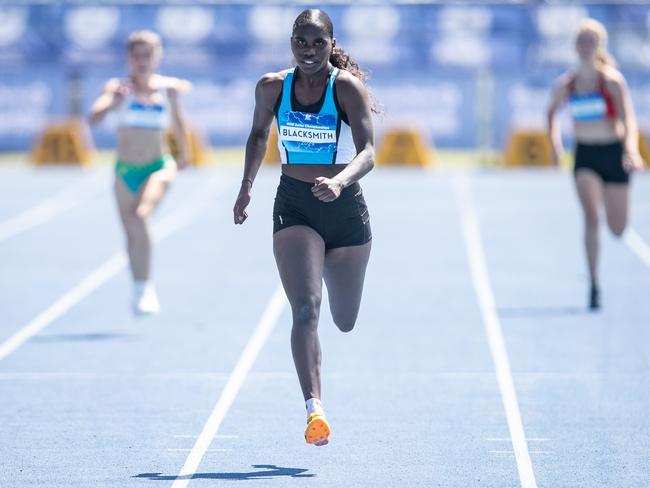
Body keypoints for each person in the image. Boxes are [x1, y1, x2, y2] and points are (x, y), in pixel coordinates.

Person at [233, 9, 376, 446]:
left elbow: (369, 151)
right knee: (305, 309)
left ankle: (334, 275)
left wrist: (339, 181)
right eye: (301, 41)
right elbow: (259, 136)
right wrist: (246, 188)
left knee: (344, 320)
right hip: (294, 206)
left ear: (332, 44)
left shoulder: (346, 88)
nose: (309, 50)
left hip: (345, 210)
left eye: (318, 42)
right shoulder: (272, 87)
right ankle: (315, 408)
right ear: (291, 43)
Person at [89, 30, 191, 315]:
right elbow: (93, 117)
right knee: (132, 234)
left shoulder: (166, 89)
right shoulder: (117, 88)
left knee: (142, 214)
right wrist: (113, 102)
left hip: (158, 166)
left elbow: (180, 121)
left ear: (157, 57)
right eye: (137, 56)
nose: (142, 61)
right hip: (124, 171)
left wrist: (184, 153)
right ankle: (138, 287)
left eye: (148, 55)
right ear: (129, 58)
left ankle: (147, 289)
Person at [547, 18, 644, 310]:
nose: (586, 46)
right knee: (590, 217)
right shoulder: (568, 84)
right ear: (575, 46)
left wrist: (630, 150)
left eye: (592, 41)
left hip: (613, 154)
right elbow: (551, 114)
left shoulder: (612, 81)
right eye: (582, 41)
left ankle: (610, 201)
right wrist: (555, 145)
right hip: (586, 155)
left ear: (599, 46)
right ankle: (593, 283)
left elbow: (628, 119)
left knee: (617, 228)